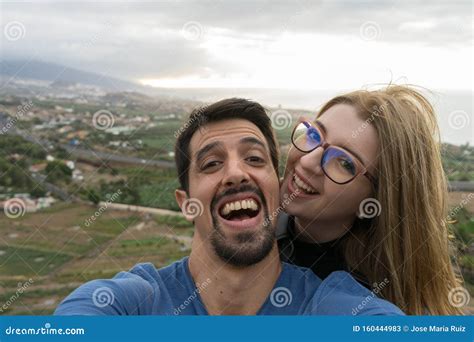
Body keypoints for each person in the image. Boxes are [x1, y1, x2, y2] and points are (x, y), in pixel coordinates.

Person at [55, 98, 403, 315]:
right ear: (186, 204)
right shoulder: (132, 302)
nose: (236, 172)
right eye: (210, 164)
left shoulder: (333, 300)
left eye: (254, 158)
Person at [277, 85, 463, 315]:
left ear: (376, 200)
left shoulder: (363, 306)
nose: (307, 161)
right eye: (314, 135)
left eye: (345, 163)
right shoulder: (250, 214)